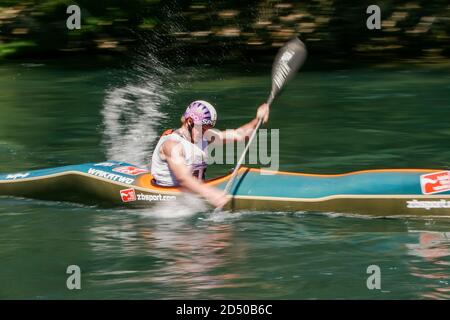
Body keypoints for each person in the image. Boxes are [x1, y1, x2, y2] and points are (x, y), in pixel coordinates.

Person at [151, 100, 269, 208]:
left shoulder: (204, 135)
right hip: (169, 197)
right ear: (189, 122)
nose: (206, 132)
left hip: (197, 191)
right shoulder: (172, 145)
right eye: (203, 128)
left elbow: (240, 135)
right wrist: (211, 194)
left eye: (209, 128)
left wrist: (258, 119)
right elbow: (184, 178)